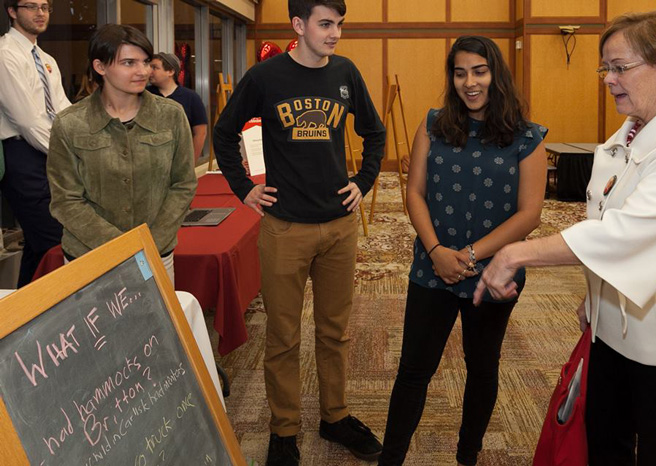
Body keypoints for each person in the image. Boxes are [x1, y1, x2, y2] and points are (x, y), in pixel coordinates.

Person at [475, 10, 656, 466]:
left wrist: (517, 252)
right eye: (605, 68)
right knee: (603, 442)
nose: (608, 80)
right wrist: (594, 296)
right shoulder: (633, 129)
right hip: (612, 329)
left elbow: (628, 234)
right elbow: (605, 214)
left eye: (620, 67)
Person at [213, 1, 386, 464]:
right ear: (299, 25)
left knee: (334, 332)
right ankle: (284, 430)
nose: (335, 34)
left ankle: (335, 416)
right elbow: (225, 132)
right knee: (283, 337)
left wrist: (363, 181)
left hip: (338, 228)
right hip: (285, 227)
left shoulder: (346, 73)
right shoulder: (266, 77)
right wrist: (243, 189)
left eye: (339, 25)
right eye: (325, 24)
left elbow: (375, 132)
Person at [379, 36, 547, 466]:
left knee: (482, 368)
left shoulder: (526, 136)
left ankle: (467, 456)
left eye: (479, 71)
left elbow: (528, 215)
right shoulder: (434, 124)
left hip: (493, 272)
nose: (469, 82)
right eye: (459, 72)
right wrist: (436, 250)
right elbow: (414, 193)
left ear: (496, 74)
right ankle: (390, 459)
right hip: (432, 266)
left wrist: (470, 256)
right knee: (414, 371)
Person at [47, 24, 197, 284]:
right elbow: (65, 200)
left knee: (154, 325)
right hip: (89, 257)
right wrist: (124, 247)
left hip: (155, 254)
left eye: (146, 62)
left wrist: (150, 243)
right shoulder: (69, 123)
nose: (142, 71)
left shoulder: (171, 115)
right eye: (129, 62)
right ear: (100, 66)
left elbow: (183, 184)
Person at [0, 0, 71, 286]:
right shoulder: (5, 54)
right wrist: (68, 153)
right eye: (31, 6)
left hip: (49, 152)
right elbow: (27, 121)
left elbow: (63, 110)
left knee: (37, 247)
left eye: (45, 7)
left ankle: (21, 323)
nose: (40, 13)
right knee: (55, 242)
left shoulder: (47, 59)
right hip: (21, 154)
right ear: (12, 11)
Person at [147, 52, 208, 162]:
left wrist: (190, 163)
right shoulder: (144, 95)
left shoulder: (191, 97)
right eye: (149, 67)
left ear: (170, 71)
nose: (149, 71)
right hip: (149, 159)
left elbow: (200, 133)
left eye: (155, 67)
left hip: (179, 159)